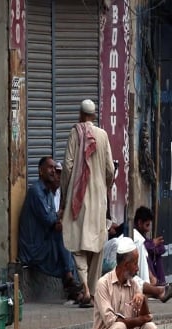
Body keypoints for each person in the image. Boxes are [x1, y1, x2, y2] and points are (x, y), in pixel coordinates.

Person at [61, 99, 115, 307]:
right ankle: (90, 292)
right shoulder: (103, 136)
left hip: (78, 197)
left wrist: (66, 194)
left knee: (76, 244)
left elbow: (67, 167)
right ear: (93, 115)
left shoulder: (75, 133)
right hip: (99, 200)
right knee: (96, 246)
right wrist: (104, 186)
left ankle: (85, 287)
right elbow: (110, 169)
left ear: (79, 114)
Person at [90, 237, 157, 329]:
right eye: (135, 264)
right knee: (119, 327)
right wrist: (139, 321)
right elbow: (111, 321)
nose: (137, 268)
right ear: (126, 264)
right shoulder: (103, 284)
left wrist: (143, 299)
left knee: (151, 328)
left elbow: (146, 317)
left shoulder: (134, 285)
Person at [18, 156, 80, 299]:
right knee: (62, 235)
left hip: (45, 244)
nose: (53, 171)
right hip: (33, 250)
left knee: (71, 249)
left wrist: (59, 219)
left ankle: (73, 286)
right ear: (40, 171)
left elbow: (54, 220)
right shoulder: (36, 192)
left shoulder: (49, 194)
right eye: (50, 168)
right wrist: (60, 216)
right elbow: (50, 219)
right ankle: (70, 281)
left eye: (54, 168)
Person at [133, 206, 169, 287]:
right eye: (147, 225)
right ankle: (154, 283)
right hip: (139, 270)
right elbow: (142, 246)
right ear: (139, 223)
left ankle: (162, 283)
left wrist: (154, 245)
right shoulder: (134, 235)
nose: (148, 229)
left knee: (157, 255)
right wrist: (152, 244)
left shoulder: (143, 236)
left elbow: (162, 249)